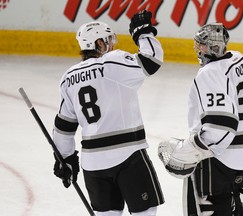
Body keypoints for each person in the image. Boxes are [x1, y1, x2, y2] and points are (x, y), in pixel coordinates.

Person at [52, 10, 164, 216]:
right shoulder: (113, 62)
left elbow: (64, 126)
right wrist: (143, 33)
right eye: (107, 41)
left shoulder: (69, 78)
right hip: (128, 155)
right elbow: (151, 60)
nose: (111, 44)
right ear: (99, 44)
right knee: (146, 211)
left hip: (93, 164)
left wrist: (65, 159)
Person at [158, 23, 243, 216]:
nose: (198, 49)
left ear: (213, 47)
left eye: (202, 45)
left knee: (206, 209)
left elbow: (221, 126)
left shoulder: (210, 73)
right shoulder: (240, 60)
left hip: (220, 158)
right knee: (233, 208)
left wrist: (190, 150)